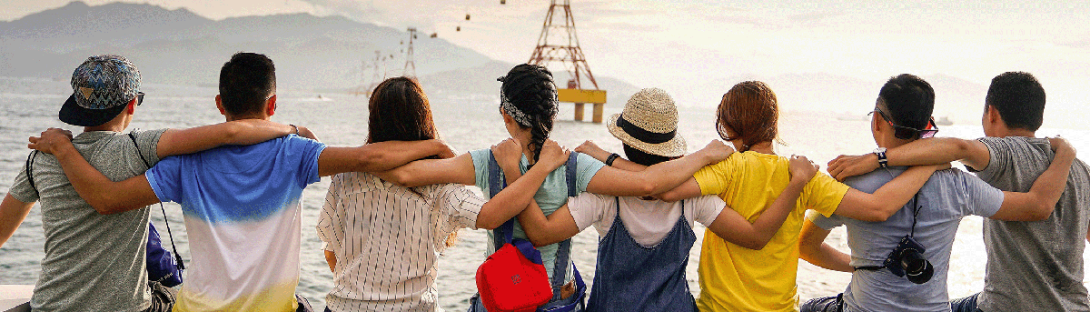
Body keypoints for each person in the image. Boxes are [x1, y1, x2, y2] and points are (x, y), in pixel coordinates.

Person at [24, 53, 455, 312]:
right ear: (272, 103)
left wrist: (63, 149)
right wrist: (438, 148)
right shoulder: (297, 154)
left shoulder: (186, 162)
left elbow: (108, 198)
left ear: (219, 104)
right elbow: (371, 157)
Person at [376, 65, 734, 312]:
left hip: (501, 301)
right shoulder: (575, 166)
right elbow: (647, 182)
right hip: (558, 301)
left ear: (506, 116)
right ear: (554, 113)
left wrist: (434, 146)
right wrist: (703, 156)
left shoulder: (488, 160)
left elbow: (405, 174)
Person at [0, 55, 300, 312]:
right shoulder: (141, 148)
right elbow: (230, 134)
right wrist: (292, 129)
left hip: (49, 305)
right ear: (132, 105)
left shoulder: (40, 158)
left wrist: (60, 147)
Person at [507, 87, 820, 312]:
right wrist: (796, 183)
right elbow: (754, 237)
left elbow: (541, 233)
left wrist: (515, 174)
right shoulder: (694, 198)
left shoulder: (605, 196)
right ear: (670, 146)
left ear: (623, 142)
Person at [655, 81, 946, 312]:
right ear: (774, 123)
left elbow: (663, 188)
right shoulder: (804, 176)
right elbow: (879, 208)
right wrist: (929, 163)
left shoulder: (726, 168)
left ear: (728, 126)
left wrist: (702, 155)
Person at [797, 74, 1076, 312]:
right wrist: (1065, 153)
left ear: (878, 122)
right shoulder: (958, 184)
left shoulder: (848, 181)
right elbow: (1037, 206)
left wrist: (861, 266)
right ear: (929, 125)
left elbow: (806, 246)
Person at [315, 77, 573, 311]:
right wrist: (542, 167)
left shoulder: (346, 178)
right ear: (424, 121)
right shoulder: (437, 185)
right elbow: (491, 215)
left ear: (373, 120)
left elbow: (330, 250)